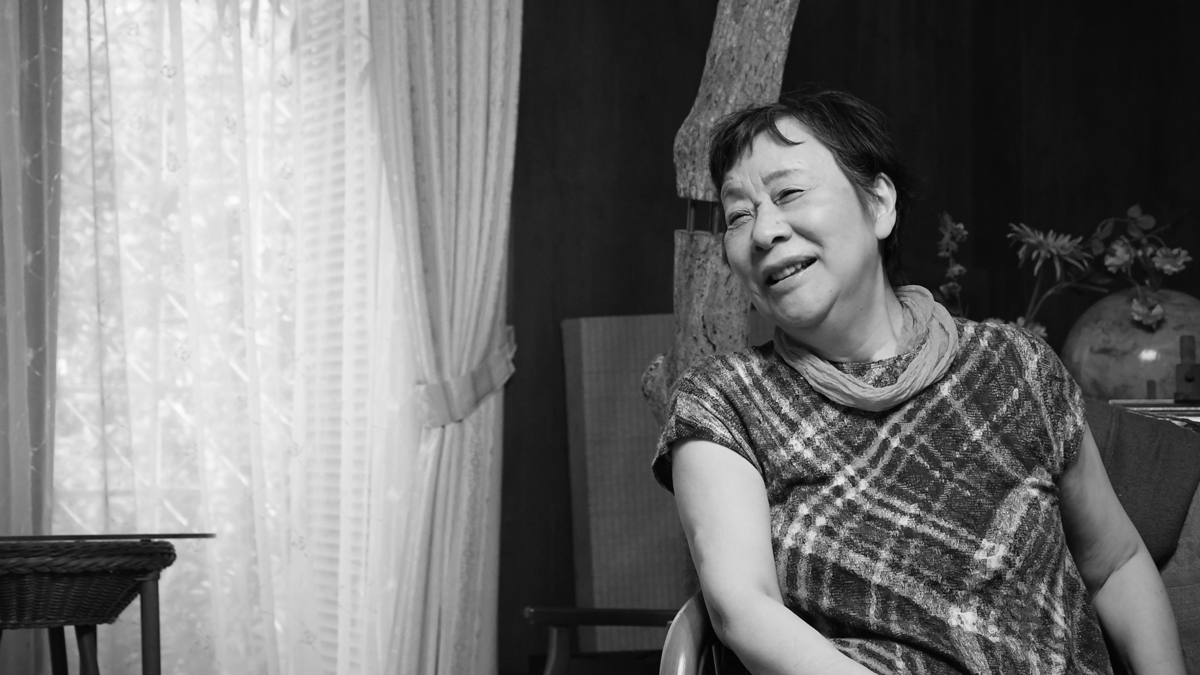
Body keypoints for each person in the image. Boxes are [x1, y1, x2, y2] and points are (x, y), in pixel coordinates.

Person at [651, 90, 1186, 675]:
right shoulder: (724, 401)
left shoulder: (1015, 366)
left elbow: (1115, 563)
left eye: (789, 193)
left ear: (879, 203)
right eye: (738, 215)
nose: (763, 232)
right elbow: (742, 609)